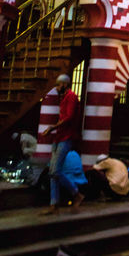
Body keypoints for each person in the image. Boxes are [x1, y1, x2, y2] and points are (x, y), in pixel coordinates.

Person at [39, 73, 82, 215]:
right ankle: (54, 205)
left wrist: (52, 127)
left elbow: (69, 117)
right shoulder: (64, 98)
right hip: (59, 137)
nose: (57, 88)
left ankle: (76, 193)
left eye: (58, 85)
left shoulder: (71, 97)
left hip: (66, 137)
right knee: (53, 172)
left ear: (64, 84)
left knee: (55, 171)